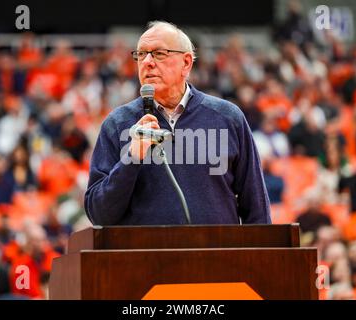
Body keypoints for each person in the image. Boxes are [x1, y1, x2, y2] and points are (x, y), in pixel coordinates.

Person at [84, 21, 271, 225]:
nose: (147, 62)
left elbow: (256, 208)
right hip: (144, 256)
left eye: (159, 53)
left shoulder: (227, 118)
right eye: (141, 54)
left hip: (216, 255)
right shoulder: (118, 124)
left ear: (186, 63)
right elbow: (98, 214)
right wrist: (131, 158)